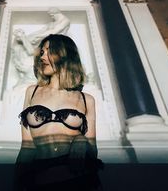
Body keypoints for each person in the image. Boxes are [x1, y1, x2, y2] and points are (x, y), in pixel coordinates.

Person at [14, 34, 103, 191]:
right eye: (42, 52)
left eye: (49, 51)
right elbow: (27, 147)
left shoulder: (86, 99)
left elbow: (92, 151)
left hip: (79, 182)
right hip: (39, 182)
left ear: (66, 54)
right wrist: (16, 183)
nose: (43, 56)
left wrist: (81, 140)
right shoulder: (31, 92)